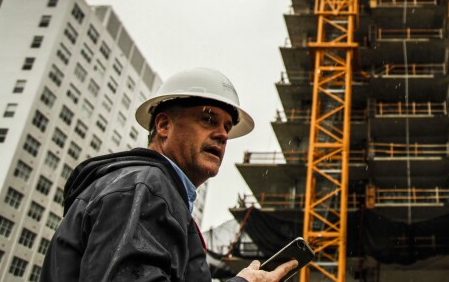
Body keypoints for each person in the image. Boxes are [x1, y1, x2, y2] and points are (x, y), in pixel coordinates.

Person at [40, 67, 297, 282]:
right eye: (208, 119)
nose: (222, 134)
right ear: (164, 125)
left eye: (227, 127)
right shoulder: (144, 188)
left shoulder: (152, 192)